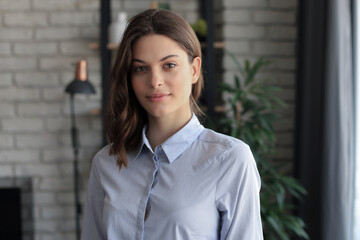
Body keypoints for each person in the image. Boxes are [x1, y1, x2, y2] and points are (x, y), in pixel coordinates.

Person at [82, 8, 263, 240]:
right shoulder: (106, 163)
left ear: (194, 69)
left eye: (169, 65)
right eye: (141, 68)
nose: (155, 81)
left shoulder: (230, 159)